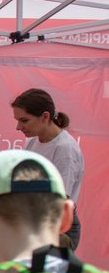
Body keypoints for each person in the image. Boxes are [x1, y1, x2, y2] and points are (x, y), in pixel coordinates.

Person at [11, 88, 85, 248]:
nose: (18, 127)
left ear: (45, 116)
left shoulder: (65, 149)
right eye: (17, 120)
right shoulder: (32, 142)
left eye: (24, 120)